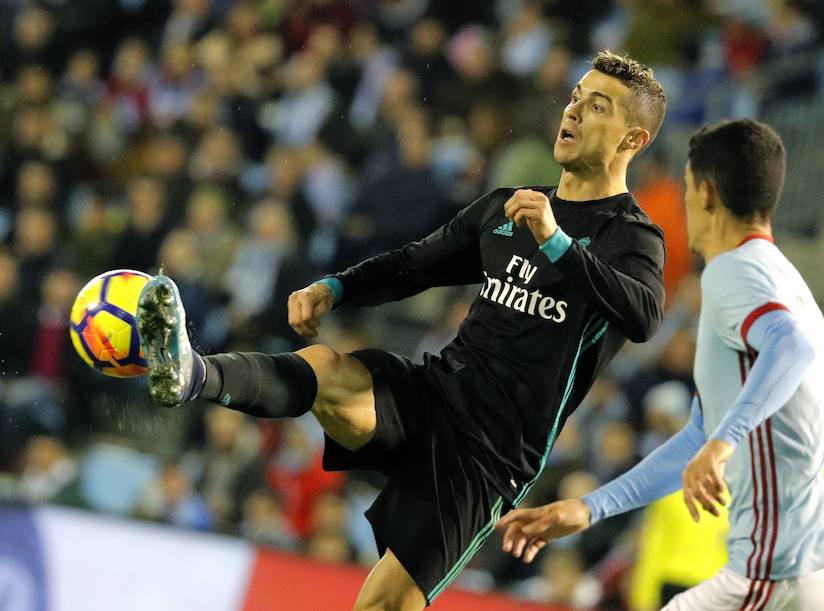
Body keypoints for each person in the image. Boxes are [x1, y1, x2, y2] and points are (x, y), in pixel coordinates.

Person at [136, 50, 667, 611]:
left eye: (597, 105)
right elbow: (413, 265)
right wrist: (334, 288)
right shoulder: (508, 208)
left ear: (633, 140)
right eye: (576, 96)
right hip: (433, 392)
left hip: (489, 454)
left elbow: (644, 316)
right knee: (324, 368)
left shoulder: (630, 237)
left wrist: (556, 242)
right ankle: (192, 372)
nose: (575, 110)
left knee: (382, 604)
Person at [497, 119, 824, 611]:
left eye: (685, 190)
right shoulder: (784, 281)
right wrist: (592, 508)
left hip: (782, 573)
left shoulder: (732, 271)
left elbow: (792, 348)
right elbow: (699, 434)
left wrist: (723, 444)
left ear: (704, 192)